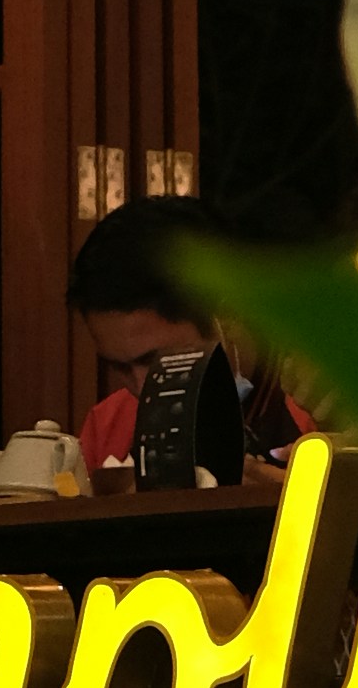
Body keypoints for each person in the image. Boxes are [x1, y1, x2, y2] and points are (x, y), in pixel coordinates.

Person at [66, 198, 305, 487]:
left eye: (159, 360)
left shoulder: (316, 398)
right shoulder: (109, 427)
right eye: (120, 367)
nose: (142, 389)